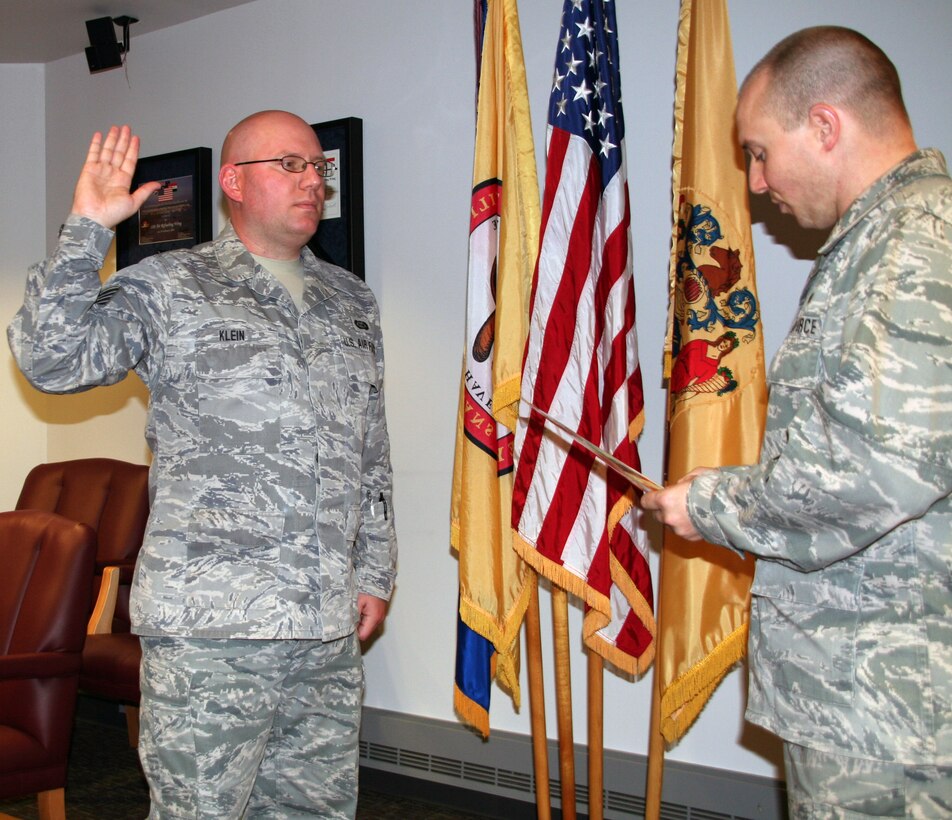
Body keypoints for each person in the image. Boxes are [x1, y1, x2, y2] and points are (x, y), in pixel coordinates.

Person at [8, 111, 398, 818]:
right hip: (211, 631)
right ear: (233, 183)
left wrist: (373, 569)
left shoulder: (351, 302)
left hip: (324, 628)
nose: (313, 181)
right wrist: (86, 231)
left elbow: (369, 451)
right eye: (291, 165)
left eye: (319, 168)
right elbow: (51, 360)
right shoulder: (169, 286)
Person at [642, 27, 951, 818]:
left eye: (758, 151)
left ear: (823, 125)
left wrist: (709, 505)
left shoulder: (908, 245)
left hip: (887, 711)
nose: (751, 182)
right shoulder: (884, 239)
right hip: (876, 695)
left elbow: (876, 468)